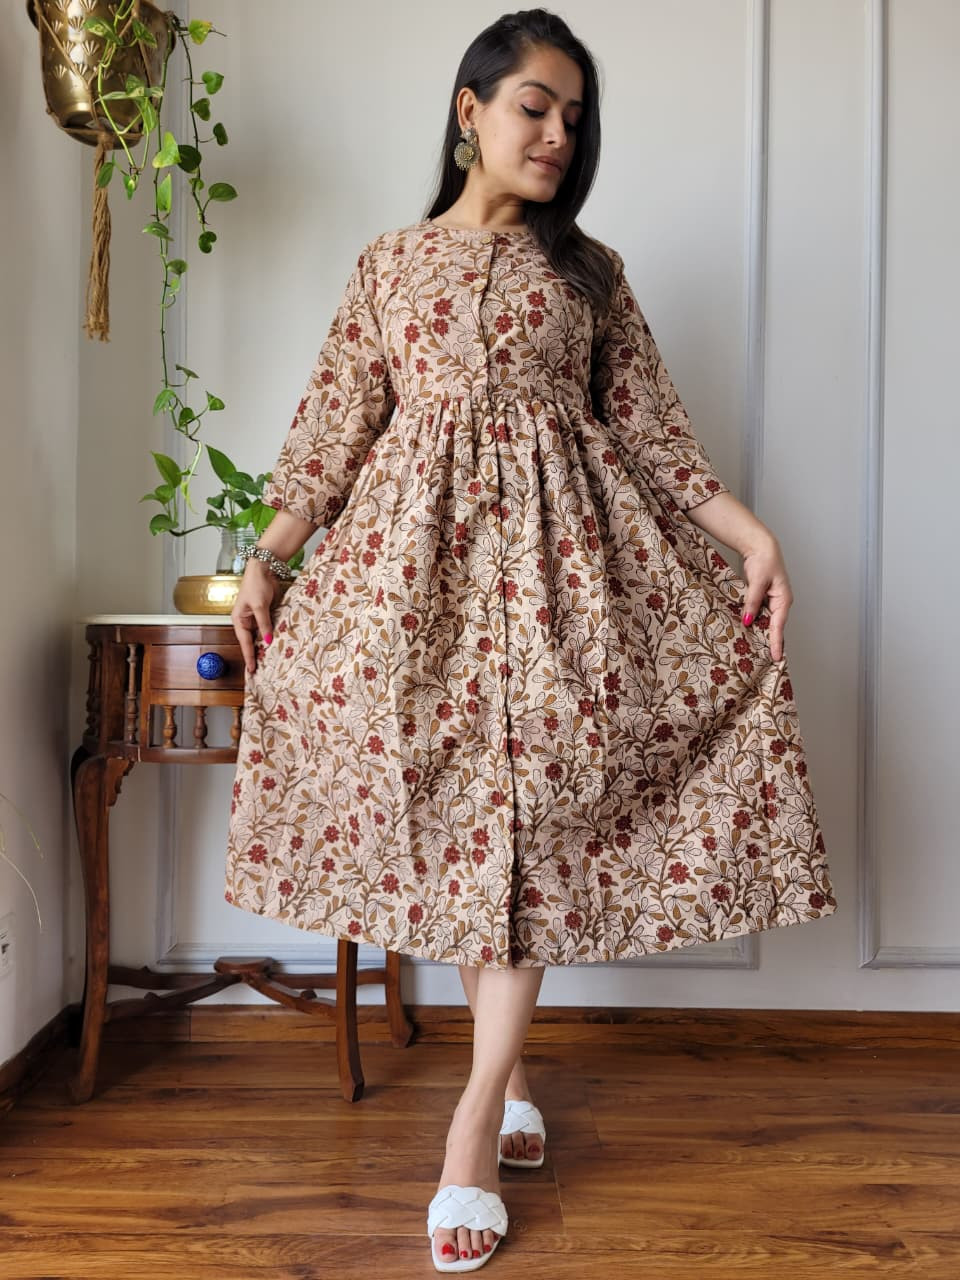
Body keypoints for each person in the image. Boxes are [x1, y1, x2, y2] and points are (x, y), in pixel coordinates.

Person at [226, 8, 838, 1272]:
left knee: (537, 820)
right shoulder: (390, 264)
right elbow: (337, 425)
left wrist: (755, 536)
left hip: (567, 588)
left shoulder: (591, 272)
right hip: (414, 591)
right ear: (472, 111)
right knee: (471, 832)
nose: (559, 134)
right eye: (535, 107)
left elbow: (657, 436)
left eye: (574, 117)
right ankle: (507, 1079)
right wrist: (269, 554)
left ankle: (469, 1126)